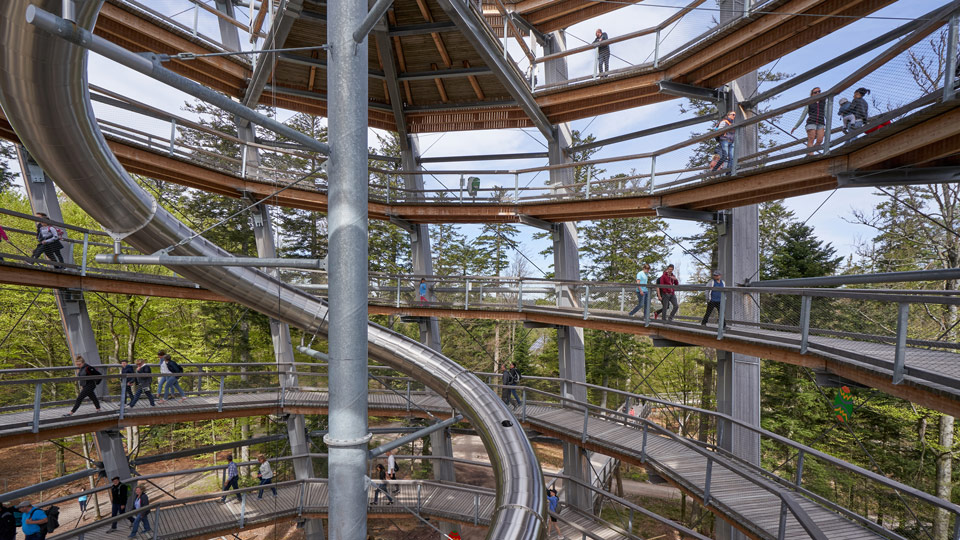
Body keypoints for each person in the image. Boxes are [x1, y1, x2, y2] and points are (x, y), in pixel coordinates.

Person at [791, 87, 826, 155]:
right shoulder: (809, 103)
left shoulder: (824, 102)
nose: (817, 93)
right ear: (812, 94)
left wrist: (828, 122)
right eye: (815, 92)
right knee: (811, 137)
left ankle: (810, 150)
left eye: (819, 91)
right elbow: (803, 115)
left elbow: (826, 112)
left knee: (820, 140)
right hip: (811, 122)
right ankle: (810, 154)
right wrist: (796, 126)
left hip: (821, 122)